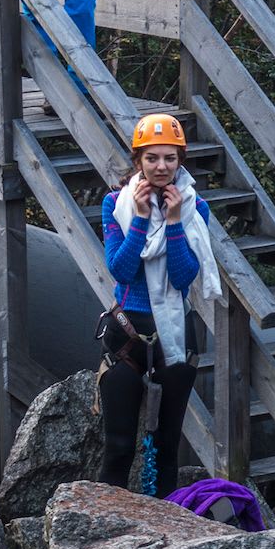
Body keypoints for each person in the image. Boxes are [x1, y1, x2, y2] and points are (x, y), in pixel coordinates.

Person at [98, 113, 220, 497]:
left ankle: (168, 531)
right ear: (138, 161)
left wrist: (172, 221)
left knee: (167, 447)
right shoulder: (115, 203)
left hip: (175, 336)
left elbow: (185, 278)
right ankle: (104, 527)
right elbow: (121, 269)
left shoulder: (194, 208)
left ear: (180, 160)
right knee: (118, 446)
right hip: (127, 334)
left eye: (170, 158)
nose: (161, 166)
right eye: (152, 158)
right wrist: (138, 219)